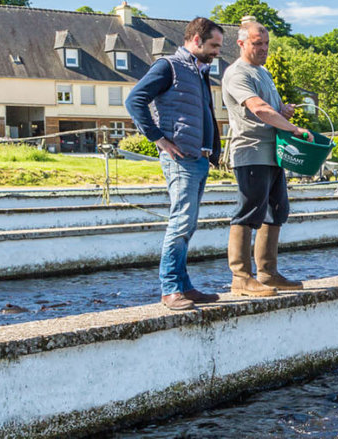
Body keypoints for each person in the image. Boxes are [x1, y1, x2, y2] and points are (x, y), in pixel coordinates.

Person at [125, 17, 225, 310]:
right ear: (196, 40)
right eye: (214, 45)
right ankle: (170, 290)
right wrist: (158, 138)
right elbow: (134, 101)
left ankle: (183, 285)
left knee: (188, 225)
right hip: (180, 160)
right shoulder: (168, 66)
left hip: (198, 159)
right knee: (180, 222)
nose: (218, 51)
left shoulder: (198, 71)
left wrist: (214, 152)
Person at [221, 21, 309, 297]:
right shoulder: (237, 74)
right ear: (242, 44)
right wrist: (293, 128)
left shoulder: (263, 73)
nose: (263, 49)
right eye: (257, 43)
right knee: (249, 211)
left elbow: (270, 108)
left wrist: (283, 111)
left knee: (276, 210)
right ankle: (241, 276)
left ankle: (268, 273)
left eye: (266, 43)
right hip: (251, 151)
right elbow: (258, 108)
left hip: (273, 152)